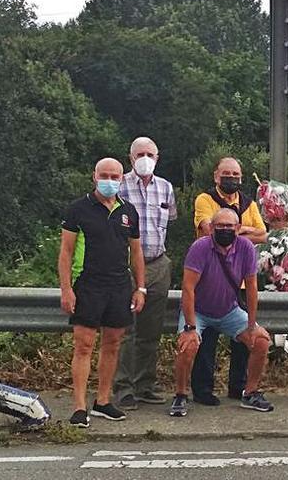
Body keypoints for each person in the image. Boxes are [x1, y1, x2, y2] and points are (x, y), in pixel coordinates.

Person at [58, 158, 145, 428]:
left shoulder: (128, 211)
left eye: (115, 176)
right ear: (94, 176)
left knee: (113, 344)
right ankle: (80, 406)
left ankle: (103, 401)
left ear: (122, 179)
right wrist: (66, 290)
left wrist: (140, 287)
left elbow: (136, 251)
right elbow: (66, 252)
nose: (109, 180)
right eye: (104, 175)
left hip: (119, 286)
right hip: (87, 284)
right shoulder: (78, 209)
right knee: (84, 345)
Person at [170, 208, 274, 416]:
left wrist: (252, 325)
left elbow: (252, 288)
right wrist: (190, 327)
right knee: (188, 345)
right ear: (211, 228)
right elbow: (188, 288)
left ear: (238, 228)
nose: (225, 230)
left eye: (229, 226)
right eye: (220, 226)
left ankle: (250, 392)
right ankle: (180, 395)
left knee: (261, 341)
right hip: (198, 310)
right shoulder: (199, 248)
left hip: (229, 310)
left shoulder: (246, 248)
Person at [191, 157, 266, 405]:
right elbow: (206, 230)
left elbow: (263, 234)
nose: (231, 178)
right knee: (207, 340)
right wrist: (245, 230)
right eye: (226, 174)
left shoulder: (248, 203)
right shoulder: (205, 199)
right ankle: (203, 390)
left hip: (240, 282)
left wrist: (238, 229)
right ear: (216, 176)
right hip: (210, 279)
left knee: (244, 340)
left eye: (235, 174)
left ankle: (239, 387)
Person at [112, 137, 176, 411]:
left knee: (151, 330)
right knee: (125, 330)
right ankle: (122, 388)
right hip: (125, 266)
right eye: (141, 154)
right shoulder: (118, 186)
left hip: (158, 264)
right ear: (131, 158)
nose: (146, 158)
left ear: (158, 158)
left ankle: (145, 384)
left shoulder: (166, 188)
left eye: (151, 153)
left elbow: (169, 220)